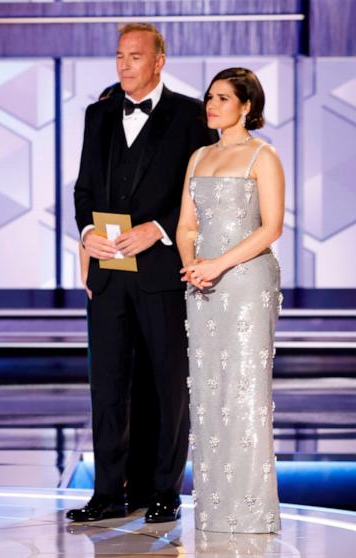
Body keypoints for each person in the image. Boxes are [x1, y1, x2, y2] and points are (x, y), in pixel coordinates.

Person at [69, 22, 216, 523]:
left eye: (134, 57)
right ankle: (107, 493)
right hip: (109, 270)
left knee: (167, 384)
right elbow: (84, 186)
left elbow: (202, 195)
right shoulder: (99, 114)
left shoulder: (192, 118)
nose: (124, 65)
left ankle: (163, 493)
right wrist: (87, 230)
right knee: (107, 385)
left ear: (159, 61)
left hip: (161, 270)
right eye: (119, 56)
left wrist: (160, 229)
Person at [177, 67, 284, 533]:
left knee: (244, 389)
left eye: (223, 98)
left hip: (246, 284)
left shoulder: (264, 156)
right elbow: (186, 225)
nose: (212, 105)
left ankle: (251, 513)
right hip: (200, 283)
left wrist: (217, 265)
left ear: (247, 106)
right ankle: (215, 510)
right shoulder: (198, 156)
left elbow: (271, 228)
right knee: (208, 390)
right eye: (210, 97)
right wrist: (192, 265)